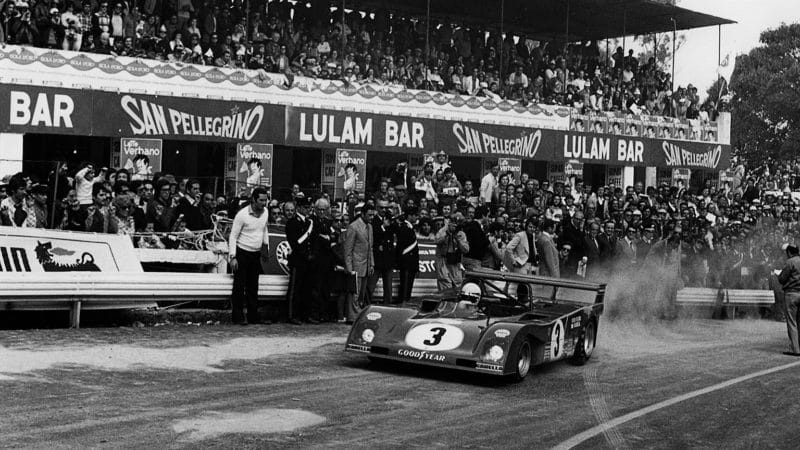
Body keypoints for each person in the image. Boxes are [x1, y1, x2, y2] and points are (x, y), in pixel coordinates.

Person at [227, 187, 270, 325]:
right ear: (253, 200)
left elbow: (264, 230)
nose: (264, 203)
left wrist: (265, 248)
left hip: (255, 254)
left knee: (253, 286)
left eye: (265, 200)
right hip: (242, 252)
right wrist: (233, 257)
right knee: (239, 286)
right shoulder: (242, 215)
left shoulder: (266, 213)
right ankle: (238, 317)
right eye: (261, 200)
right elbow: (233, 236)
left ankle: (253, 316)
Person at [343, 203, 375, 322]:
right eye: (369, 215)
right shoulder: (353, 227)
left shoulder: (370, 227)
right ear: (362, 214)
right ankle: (352, 317)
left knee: (361, 293)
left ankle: (357, 315)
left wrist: (372, 264)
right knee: (354, 293)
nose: (371, 217)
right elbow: (347, 250)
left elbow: (370, 247)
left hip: (366, 265)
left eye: (373, 215)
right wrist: (349, 268)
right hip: (355, 265)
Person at [284, 198, 314, 324]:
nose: (308, 209)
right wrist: (305, 254)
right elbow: (294, 243)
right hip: (297, 260)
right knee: (295, 289)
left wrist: (311, 254)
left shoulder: (309, 222)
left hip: (308, 260)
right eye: (306, 207)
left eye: (309, 207)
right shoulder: (292, 222)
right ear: (300, 207)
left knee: (306, 289)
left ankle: (305, 314)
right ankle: (292, 315)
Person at [434, 214, 469, 291]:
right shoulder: (443, 230)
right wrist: (447, 232)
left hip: (455, 263)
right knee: (445, 283)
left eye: (456, 223)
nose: (455, 226)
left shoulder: (461, 234)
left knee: (457, 285)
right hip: (443, 261)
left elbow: (466, 249)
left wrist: (458, 240)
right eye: (453, 223)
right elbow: (436, 240)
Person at [777, 244, 800, 356]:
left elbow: (782, 278)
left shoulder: (790, 262)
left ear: (789, 253)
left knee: (792, 322)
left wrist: (778, 274)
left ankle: (795, 349)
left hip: (791, 293)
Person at [395, 206, 419, 303]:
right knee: (405, 289)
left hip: (411, 264)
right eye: (415, 215)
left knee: (408, 288)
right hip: (406, 264)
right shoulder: (404, 228)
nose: (417, 218)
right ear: (409, 216)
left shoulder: (409, 227)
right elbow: (401, 247)